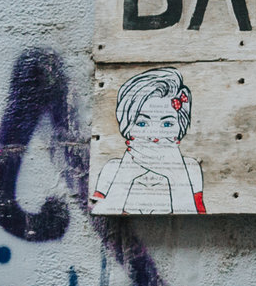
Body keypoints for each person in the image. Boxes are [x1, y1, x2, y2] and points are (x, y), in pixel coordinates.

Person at [89, 66, 208, 215]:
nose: (154, 135)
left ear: (180, 128)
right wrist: (125, 174)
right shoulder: (112, 169)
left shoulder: (190, 169)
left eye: (167, 124)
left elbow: (195, 219)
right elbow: (99, 214)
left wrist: (176, 174)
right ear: (128, 127)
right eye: (141, 124)